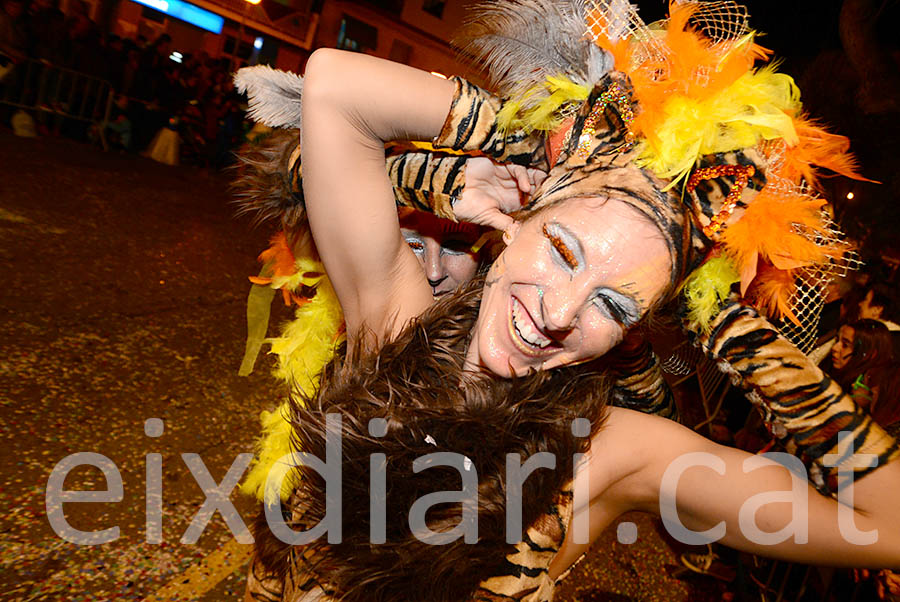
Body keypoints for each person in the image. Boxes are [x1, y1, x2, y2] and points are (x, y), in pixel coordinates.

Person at [235, 1, 900, 599]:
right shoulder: (395, 323)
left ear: (634, 331)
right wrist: (516, 144)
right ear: (519, 220)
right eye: (562, 250)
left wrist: (737, 335)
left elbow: (889, 527)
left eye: (612, 306)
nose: (557, 315)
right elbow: (332, 87)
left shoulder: (614, 452)